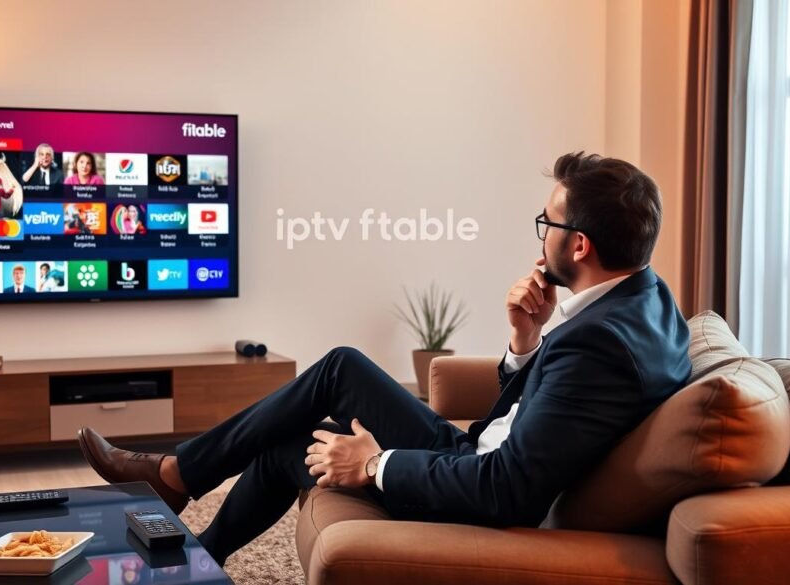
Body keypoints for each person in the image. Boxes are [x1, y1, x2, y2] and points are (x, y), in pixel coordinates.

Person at [79, 152, 693, 567]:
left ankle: (177, 480)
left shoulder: (601, 344)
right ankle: (196, 549)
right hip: (477, 453)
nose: (541, 237)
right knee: (323, 393)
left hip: (478, 491)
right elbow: (547, 408)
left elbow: (508, 490)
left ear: (578, 243)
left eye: (547, 223)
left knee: (305, 427)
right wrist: (524, 341)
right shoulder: (645, 298)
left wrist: (374, 465)